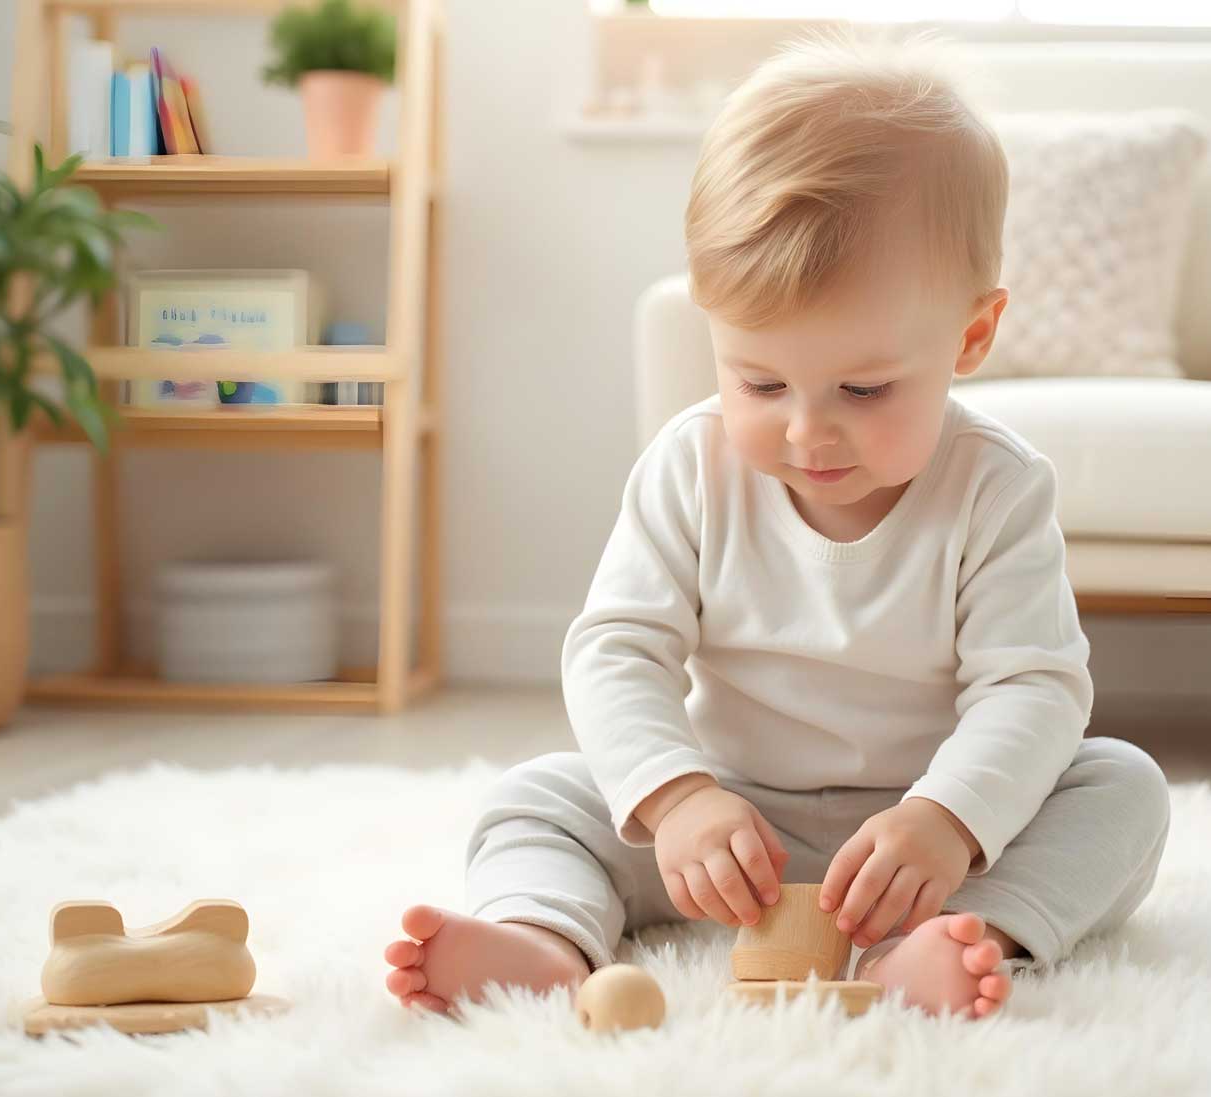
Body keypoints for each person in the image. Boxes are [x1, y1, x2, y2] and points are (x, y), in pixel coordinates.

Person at [385, 29, 1170, 1020]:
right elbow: (616, 649)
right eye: (759, 380)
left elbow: (1033, 684)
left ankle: (959, 939)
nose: (808, 430)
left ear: (970, 335)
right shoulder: (691, 465)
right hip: (731, 832)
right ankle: (543, 936)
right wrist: (677, 800)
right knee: (541, 795)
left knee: (1120, 787)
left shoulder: (996, 486)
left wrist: (946, 821)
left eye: (864, 386)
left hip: (925, 844)